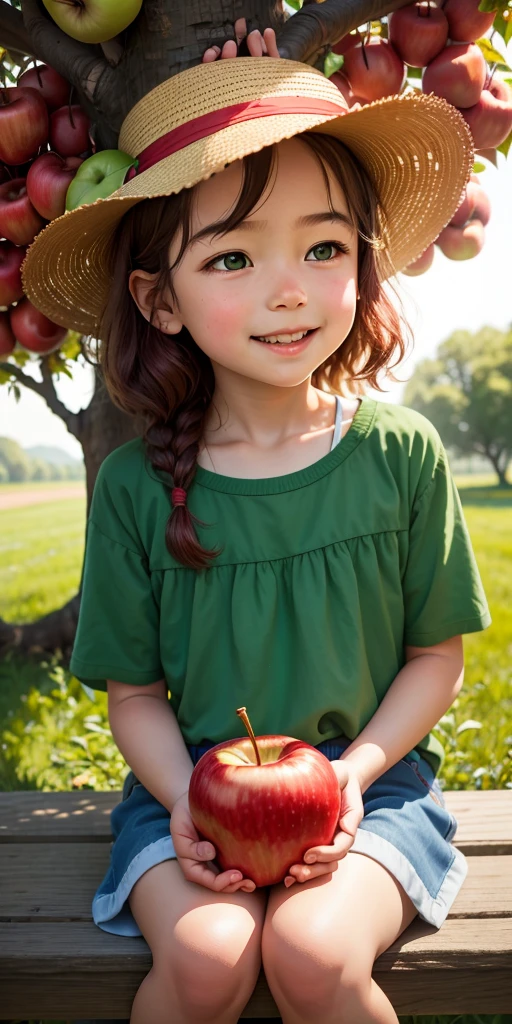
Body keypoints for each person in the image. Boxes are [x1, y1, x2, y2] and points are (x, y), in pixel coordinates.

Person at [23, 24, 492, 1024]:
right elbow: (135, 695)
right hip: (186, 794)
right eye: (232, 257)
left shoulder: (396, 452)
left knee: (314, 955)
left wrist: (353, 774)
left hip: (375, 788)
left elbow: (433, 656)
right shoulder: (141, 490)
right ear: (158, 300)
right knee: (205, 959)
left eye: (322, 246)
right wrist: (189, 798)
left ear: (362, 260)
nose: (287, 289)